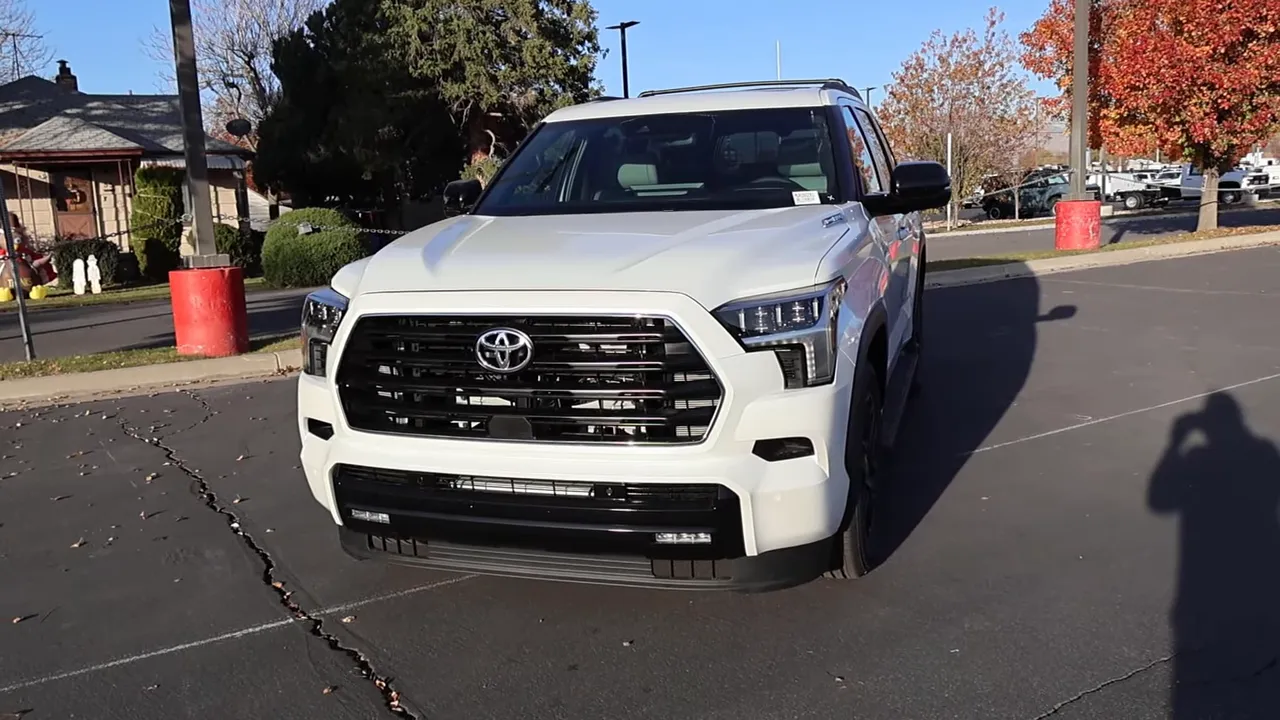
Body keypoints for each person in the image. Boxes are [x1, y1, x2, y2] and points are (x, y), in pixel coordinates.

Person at [0, 212, 55, 286]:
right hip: (5, 260)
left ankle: (36, 284)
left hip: (23, 259)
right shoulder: (3, 236)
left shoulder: (20, 237)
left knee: (35, 266)